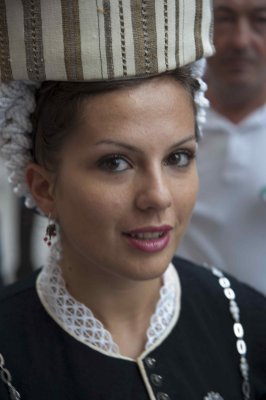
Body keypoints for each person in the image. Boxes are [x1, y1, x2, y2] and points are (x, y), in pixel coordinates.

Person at [0, 1, 265, 399]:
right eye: (115, 163)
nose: (157, 196)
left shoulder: (246, 321)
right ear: (43, 187)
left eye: (178, 157)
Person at [177, 0, 266, 296]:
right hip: (189, 322)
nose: (241, 41)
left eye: (261, 20)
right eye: (225, 20)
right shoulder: (172, 124)